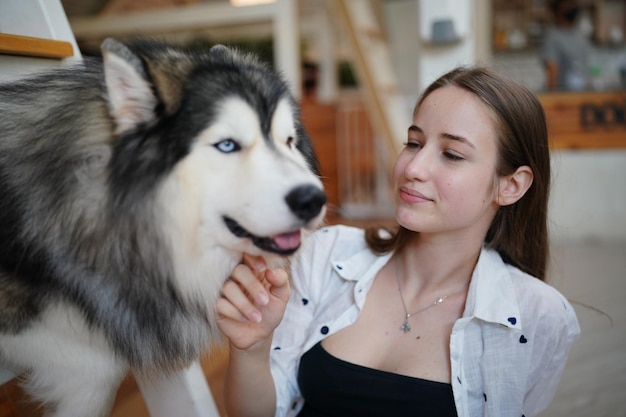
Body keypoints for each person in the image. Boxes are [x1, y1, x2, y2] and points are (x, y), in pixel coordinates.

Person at [216, 66, 580, 417]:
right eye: (413, 142)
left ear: (510, 185)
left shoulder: (537, 317)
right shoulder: (326, 254)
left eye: (451, 154)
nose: (413, 168)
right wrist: (253, 348)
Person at [541, 0, 592, 91]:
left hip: (582, 93)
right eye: (567, 4)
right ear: (557, 11)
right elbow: (552, 70)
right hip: (564, 96)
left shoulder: (581, 35)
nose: (570, 7)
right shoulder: (553, 38)